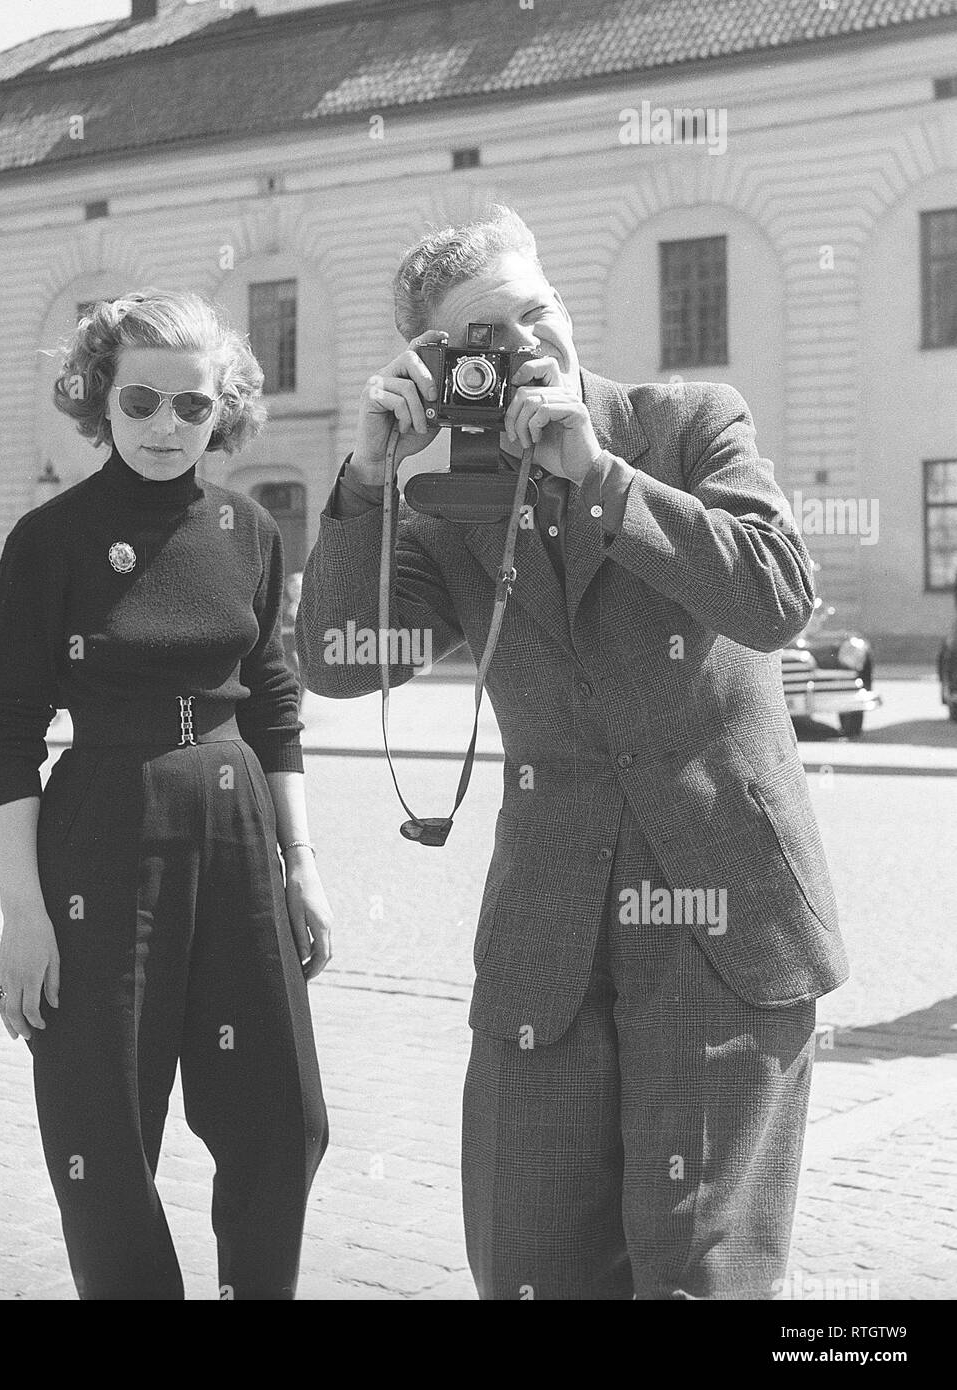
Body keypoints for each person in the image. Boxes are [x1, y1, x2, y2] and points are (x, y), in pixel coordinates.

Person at [295, 206, 848, 1300]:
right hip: (547, 937)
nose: (526, 343)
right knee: (531, 1267)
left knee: (701, 1274)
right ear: (439, 365)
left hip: (723, 921)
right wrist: (367, 484)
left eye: (534, 311)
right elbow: (340, 659)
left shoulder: (685, 423)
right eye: (484, 339)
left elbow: (778, 593)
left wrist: (603, 481)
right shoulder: (448, 501)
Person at [0, 289, 331, 1300]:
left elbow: (273, 703)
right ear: (98, 400)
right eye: (139, 402)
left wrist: (303, 866)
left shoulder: (250, 531)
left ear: (226, 407)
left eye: (192, 405)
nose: (166, 427)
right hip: (101, 834)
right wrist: (23, 914)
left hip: (238, 825)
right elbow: (6, 735)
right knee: (104, 1129)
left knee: (286, 1117)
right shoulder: (50, 542)